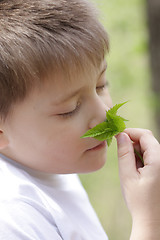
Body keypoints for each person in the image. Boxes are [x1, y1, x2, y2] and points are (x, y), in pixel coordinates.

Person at [0, 0, 160, 239]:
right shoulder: (13, 219)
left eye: (101, 85)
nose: (105, 114)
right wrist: (150, 219)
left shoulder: (48, 167)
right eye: (69, 109)